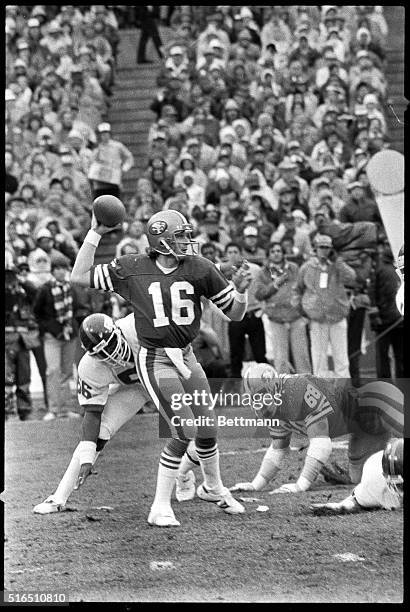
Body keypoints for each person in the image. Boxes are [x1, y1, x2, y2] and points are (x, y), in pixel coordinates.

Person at [70, 208, 251, 527]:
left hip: (187, 355)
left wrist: (243, 291)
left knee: (207, 427)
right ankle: (159, 506)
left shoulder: (200, 267)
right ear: (161, 239)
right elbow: (78, 275)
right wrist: (95, 232)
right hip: (155, 357)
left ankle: (213, 487)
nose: (186, 242)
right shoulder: (132, 267)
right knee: (184, 428)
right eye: (179, 236)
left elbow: (234, 313)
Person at [33, 313, 153, 514]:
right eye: (103, 352)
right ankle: (58, 497)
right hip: (136, 388)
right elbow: (92, 414)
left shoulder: (140, 325)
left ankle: (198, 480)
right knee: (100, 433)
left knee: (192, 427)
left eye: (112, 344)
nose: (113, 353)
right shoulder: (89, 367)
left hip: (165, 375)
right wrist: (88, 458)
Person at [230, 363, 403, 494]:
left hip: (379, 401)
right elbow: (278, 450)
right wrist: (256, 485)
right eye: (254, 398)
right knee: (361, 479)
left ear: (275, 389)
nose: (260, 403)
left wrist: (301, 485)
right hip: (362, 430)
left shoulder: (298, 391)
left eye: (262, 396)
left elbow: (321, 443)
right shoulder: (275, 409)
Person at [294, 234, 356, 378]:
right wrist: (304, 311)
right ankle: (321, 391)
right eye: (321, 247)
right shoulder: (307, 267)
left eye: (327, 248)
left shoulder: (337, 266)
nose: (324, 250)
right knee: (319, 359)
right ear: (315, 248)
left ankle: (344, 392)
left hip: (337, 317)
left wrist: (338, 262)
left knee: (341, 358)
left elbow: (351, 278)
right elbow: (297, 290)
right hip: (317, 319)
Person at [33, 254, 80, 421]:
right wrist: (50, 329)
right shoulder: (45, 289)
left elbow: (77, 309)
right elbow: (38, 313)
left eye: (63, 268)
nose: (60, 272)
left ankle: (65, 409)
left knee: (67, 372)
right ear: (52, 271)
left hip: (69, 335)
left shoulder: (71, 288)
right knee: (53, 371)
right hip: (52, 336)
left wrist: (72, 326)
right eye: (57, 268)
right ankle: (53, 409)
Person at [254, 242, 311, 373]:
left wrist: (304, 310)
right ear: (268, 255)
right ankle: (283, 389)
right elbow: (259, 294)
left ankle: (307, 386)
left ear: (283, 253)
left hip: (296, 317)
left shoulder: (294, 268)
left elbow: (304, 288)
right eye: (273, 251)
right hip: (276, 318)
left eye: (279, 250)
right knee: (280, 358)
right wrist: (275, 285)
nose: (276, 253)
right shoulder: (263, 272)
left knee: (302, 356)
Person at [311, 438, 403, 514]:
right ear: (385, 476)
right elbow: (356, 500)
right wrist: (343, 506)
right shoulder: (375, 481)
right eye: (399, 486)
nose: (401, 492)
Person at [223, 242, 266, 379]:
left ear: (241, 254)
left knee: (260, 353)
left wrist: (263, 309)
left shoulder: (255, 269)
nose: (233, 255)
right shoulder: (221, 272)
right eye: (230, 252)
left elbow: (264, 289)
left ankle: (267, 383)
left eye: (236, 251)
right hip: (235, 316)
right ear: (225, 255)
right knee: (236, 354)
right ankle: (235, 386)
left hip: (253, 314)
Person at [5, 256, 38, 420]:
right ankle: (7, 411)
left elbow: (36, 294)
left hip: (23, 339)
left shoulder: (23, 291)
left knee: (24, 376)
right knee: (7, 376)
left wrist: (21, 280)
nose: (9, 278)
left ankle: (24, 410)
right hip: (7, 337)